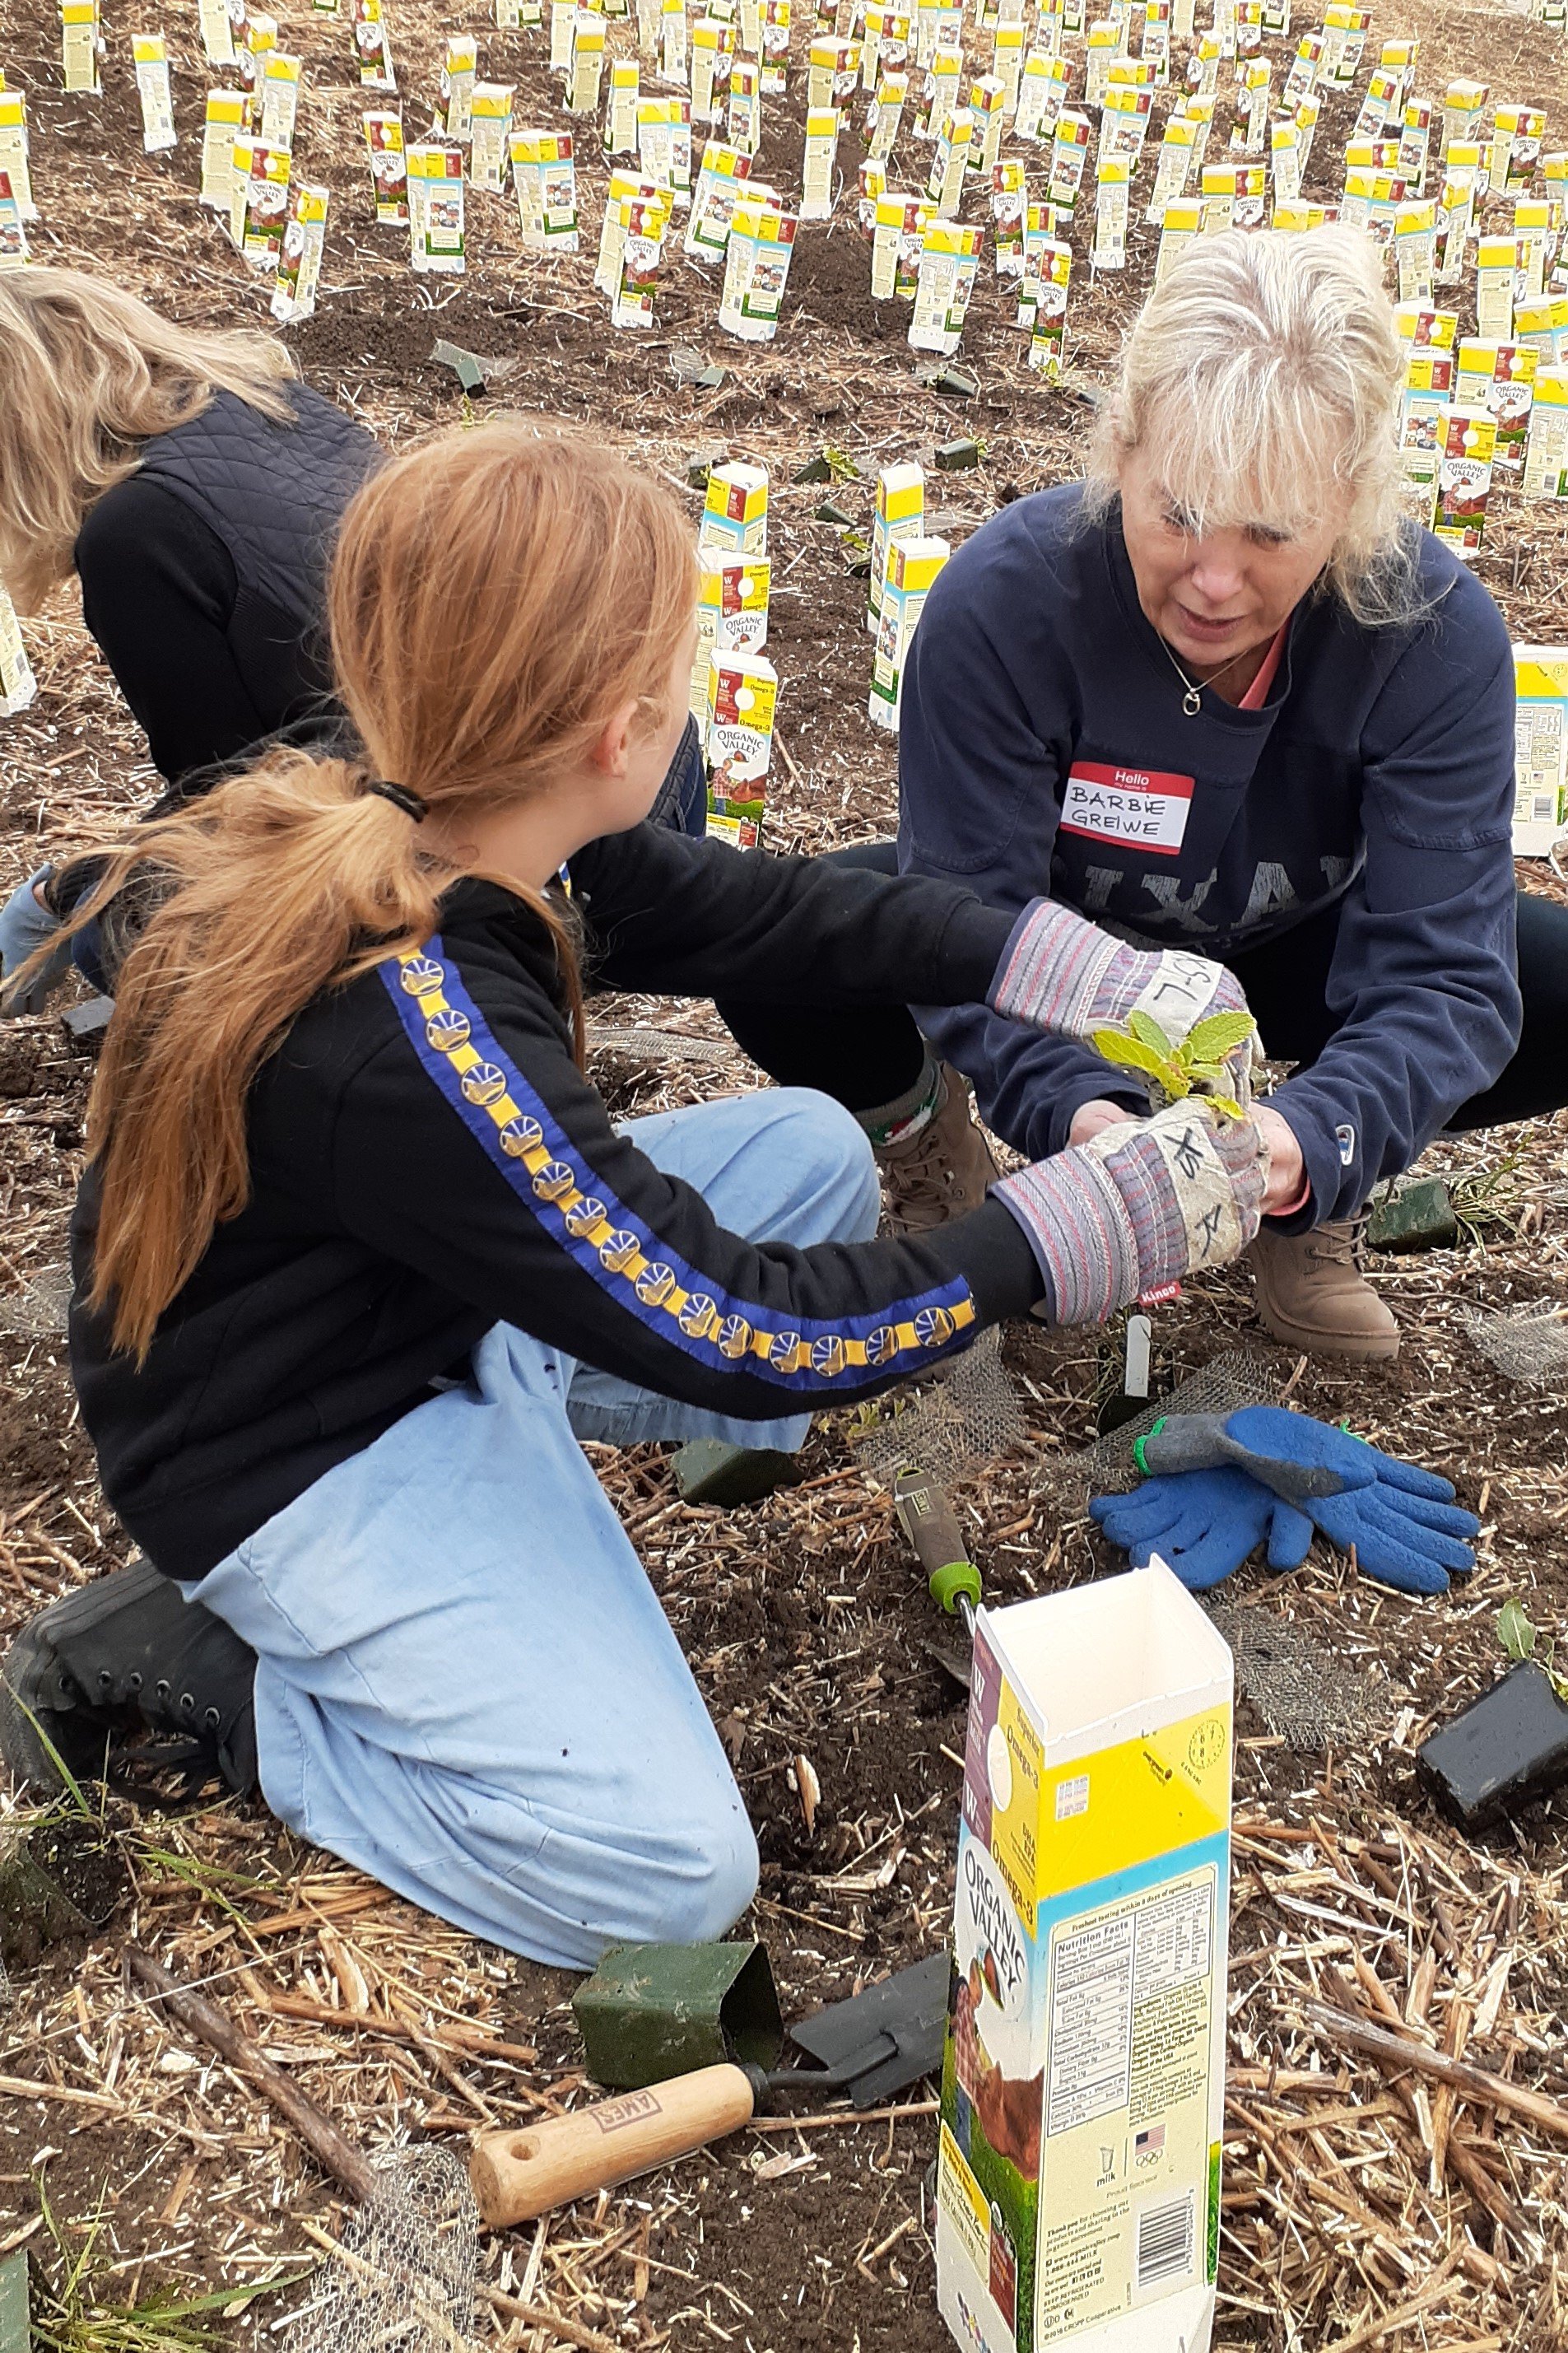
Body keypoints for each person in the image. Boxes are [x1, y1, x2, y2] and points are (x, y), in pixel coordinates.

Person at [0, 423, 1266, 1968]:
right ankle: (250, 1678)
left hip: (408, 1296)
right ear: (621, 730)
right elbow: (737, 1328)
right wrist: (1070, 1230)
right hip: (294, 1443)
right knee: (667, 1873)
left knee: (804, 1143)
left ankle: (518, 1441)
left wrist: (1061, 964)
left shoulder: (435, 805)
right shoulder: (415, 1029)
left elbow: (770, 910)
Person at [717, 229, 1568, 1361]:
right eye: (1177, 515)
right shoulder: (1004, 607)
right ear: (1122, 449)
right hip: (1064, 949)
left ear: (1353, 502)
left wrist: (1306, 1138)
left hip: (1303, 938)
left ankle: (1307, 1194)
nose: (1214, 580)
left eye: (1269, 533)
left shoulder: (1428, 630)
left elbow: (1444, 974)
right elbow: (969, 911)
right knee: (787, 946)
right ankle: (931, 1141)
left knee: (1541, 985)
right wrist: (1079, 1112)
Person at [0, 268, 705, 1004]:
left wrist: (78, 890)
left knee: (116, 934)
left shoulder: (135, 533)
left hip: (535, 854)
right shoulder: (272, 402)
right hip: (642, 777)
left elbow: (237, 797)